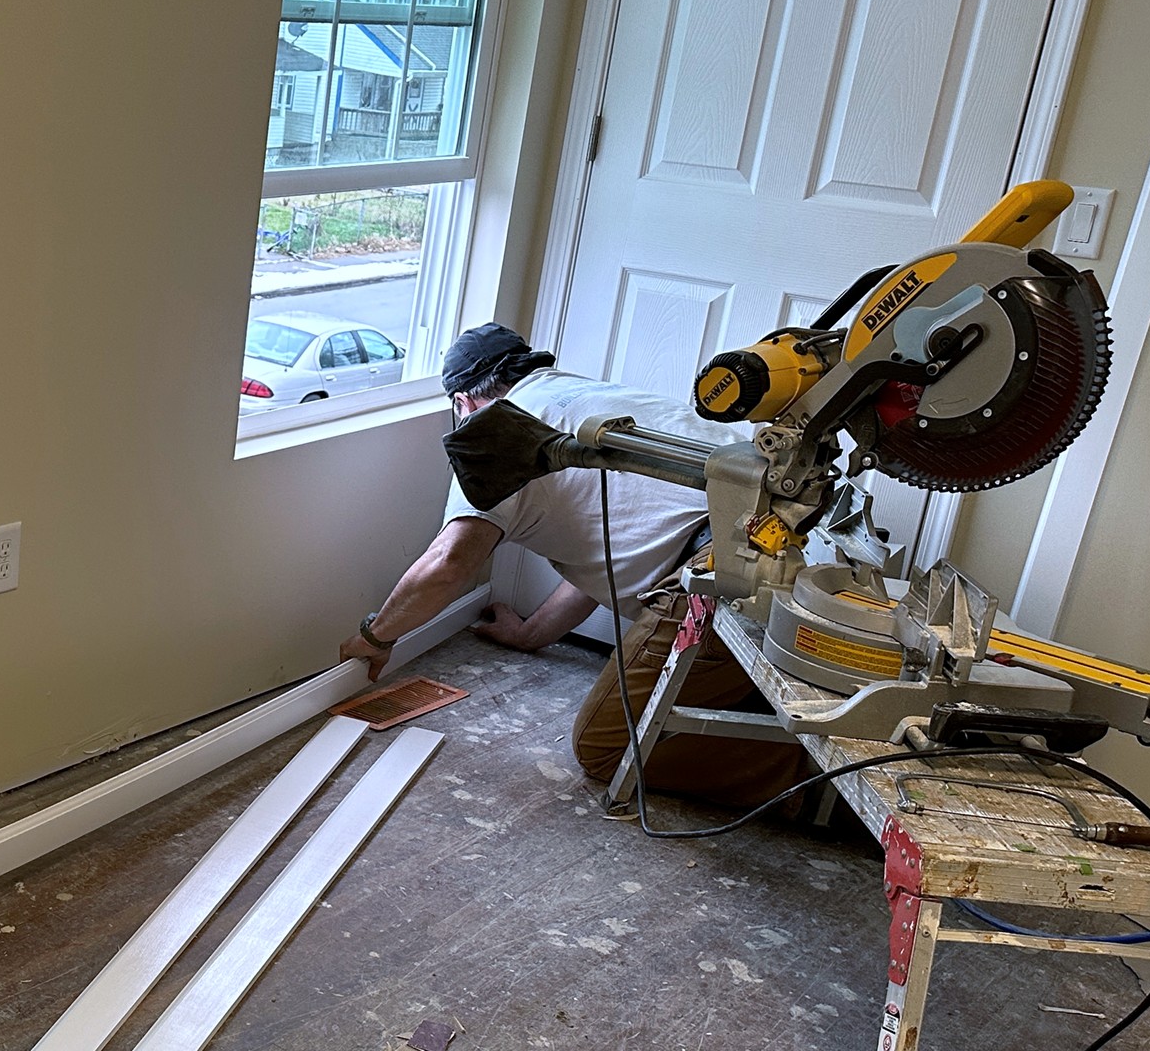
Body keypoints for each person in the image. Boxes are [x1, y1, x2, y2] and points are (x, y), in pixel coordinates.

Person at [338, 323, 808, 808]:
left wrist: (375, 637)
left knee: (605, 747)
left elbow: (449, 561)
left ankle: (818, 786)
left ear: (463, 403)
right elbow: (614, 545)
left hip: (717, 582)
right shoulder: (592, 397)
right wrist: (532, 634)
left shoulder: (496, 433)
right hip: (786, 558)